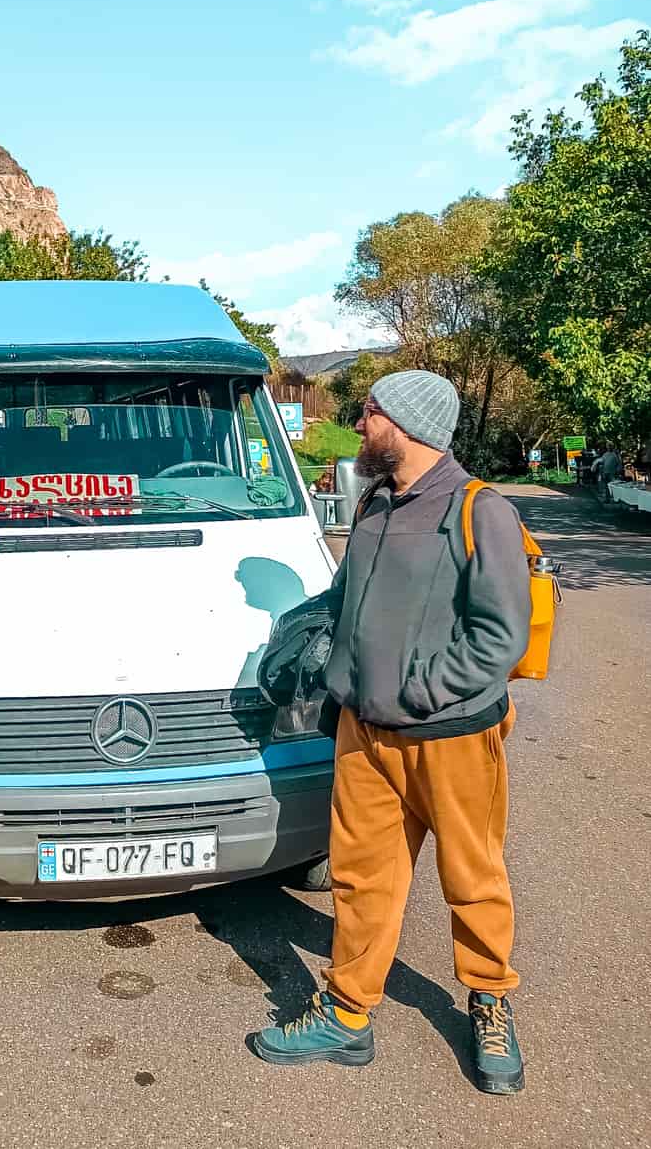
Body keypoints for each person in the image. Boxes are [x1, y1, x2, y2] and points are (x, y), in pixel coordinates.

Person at [253, 370, 532, 1095]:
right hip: (363, 735)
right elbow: (347, 596)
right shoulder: (376, 503)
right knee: (360, 880)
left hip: (451, 738)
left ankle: (489, 1001)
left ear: (402, 423)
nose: (359, 422)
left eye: (369, 411)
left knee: (472, 878)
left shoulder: (479, 512)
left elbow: (498, 637)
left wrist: (418, 693)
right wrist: (305, 630)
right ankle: (346, 1015)